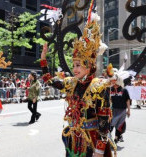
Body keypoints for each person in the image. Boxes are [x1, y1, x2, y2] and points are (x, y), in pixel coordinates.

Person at [40, 10, 115, 157]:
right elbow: (49, 80)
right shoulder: (71, 83)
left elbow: (104, 123)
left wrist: (99, 151)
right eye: (74, 65)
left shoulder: (100, 86)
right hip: (74, 138)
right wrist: (44, 59)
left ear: (89, 65)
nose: (74, 69)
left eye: (78, 65)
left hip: (91, 140)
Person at [110, 77, 131, 144]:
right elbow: (109, 100)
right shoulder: (110, 89)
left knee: (119, 125)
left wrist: (129, 110)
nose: (113, 82)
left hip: (122, 110)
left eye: (115, 81)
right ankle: (108, 138)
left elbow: (127, 100)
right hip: (113, 110)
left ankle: (116, 138)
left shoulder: (124, 90)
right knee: (111, 124)